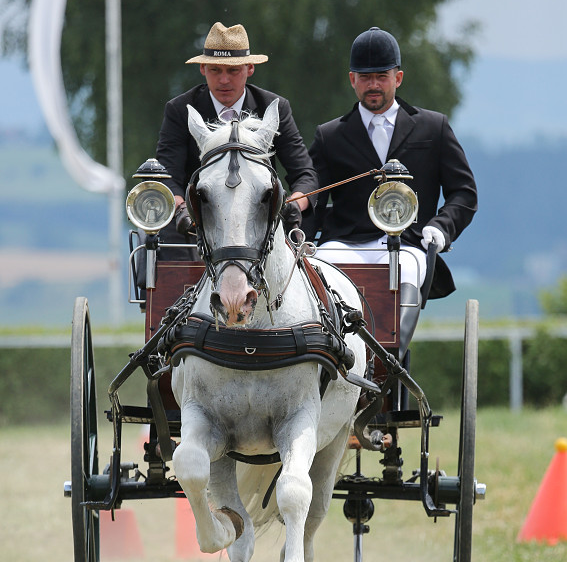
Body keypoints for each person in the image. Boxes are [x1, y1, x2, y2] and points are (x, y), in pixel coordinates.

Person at [307, 26, 478, 356]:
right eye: (365, 77)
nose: (373, 85)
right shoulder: (329, 135)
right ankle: (329, 357)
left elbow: (464, 193)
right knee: (318, 271)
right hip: (344, 243)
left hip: (411, 242)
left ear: (398, 77)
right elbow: (313, 198)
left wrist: (440, 229)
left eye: (381, 76)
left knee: (408, 271)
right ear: (352, 79)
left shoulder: (434, 127)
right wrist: (300, 237)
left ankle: (388, 361)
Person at [156, 22, 317, 247]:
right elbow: (167, 177)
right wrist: (183, 208)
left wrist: (293, 203)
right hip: (195, 230)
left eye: (233, 70)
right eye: (215, 70)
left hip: (259, 229)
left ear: (250, 68)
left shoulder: (275, 107)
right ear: (202, 68)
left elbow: (305, 175)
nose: (224, 80)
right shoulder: (179, 109)